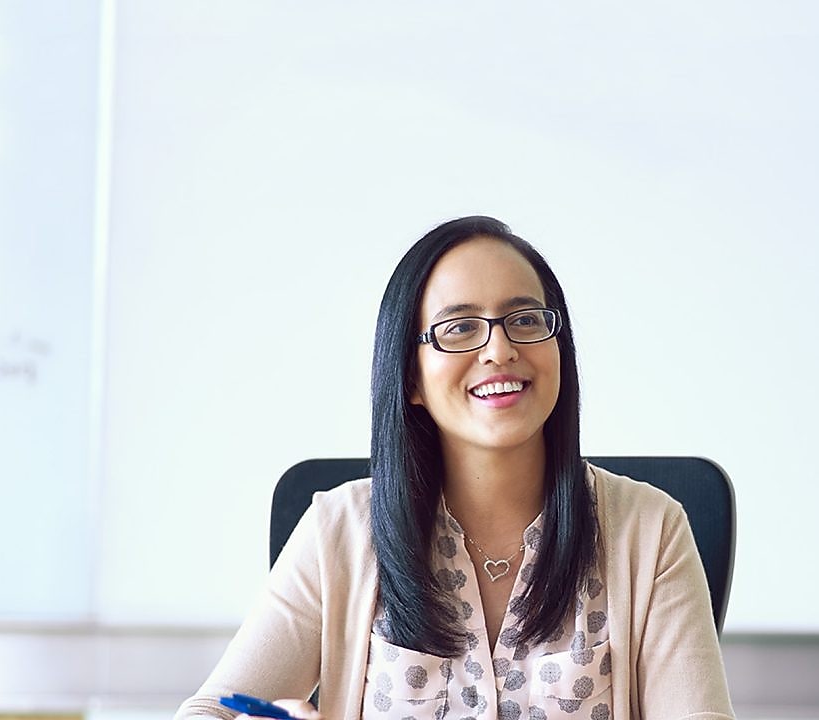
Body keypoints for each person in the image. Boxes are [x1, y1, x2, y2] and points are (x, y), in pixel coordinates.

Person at [175, 216, 734, 720]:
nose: (499, 349)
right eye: (459, 327)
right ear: (411, 377)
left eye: (523, 318)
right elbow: (209, 711)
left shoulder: (651, 530)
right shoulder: (341, 531)